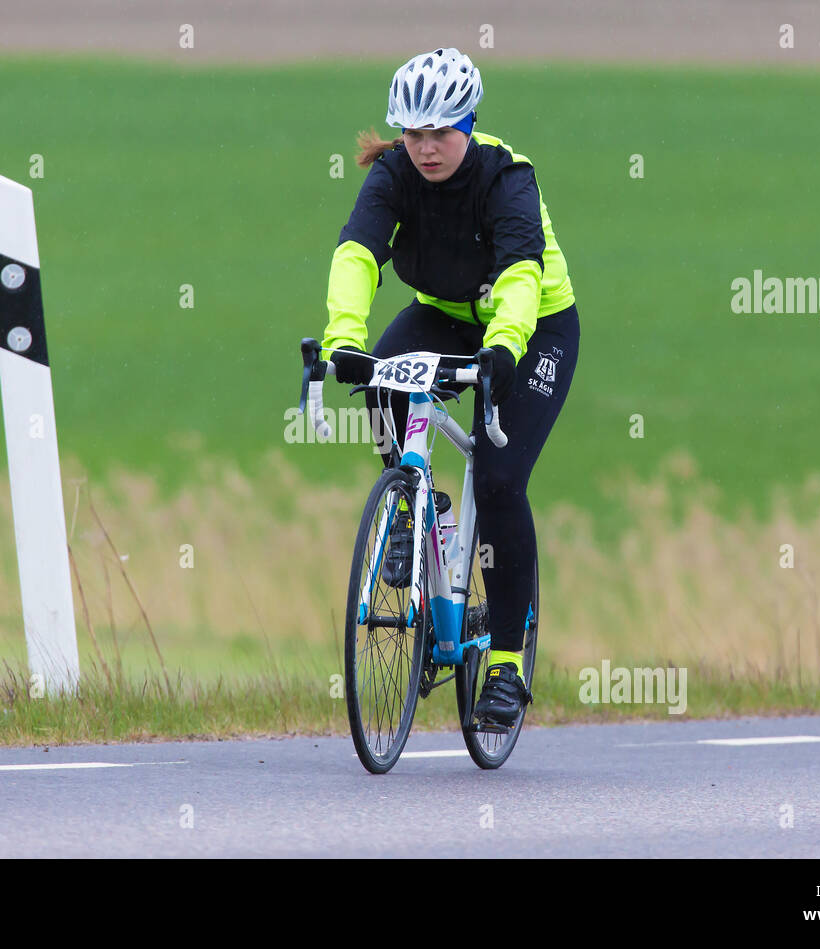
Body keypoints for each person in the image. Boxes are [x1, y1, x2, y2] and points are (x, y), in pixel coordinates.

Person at [319, 47, 580, 727]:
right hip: (441, 313)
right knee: (376, 378)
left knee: (497, 480)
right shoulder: (394, 174)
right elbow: (357, 253)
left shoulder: (506, 178)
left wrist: (503, 348)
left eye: (441, 133)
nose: (427, 148)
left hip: (532, 328)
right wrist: (342, 337)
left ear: (468, 123)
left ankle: (504, 663)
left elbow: (523, 275)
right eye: (414, 134)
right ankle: (413, 504)